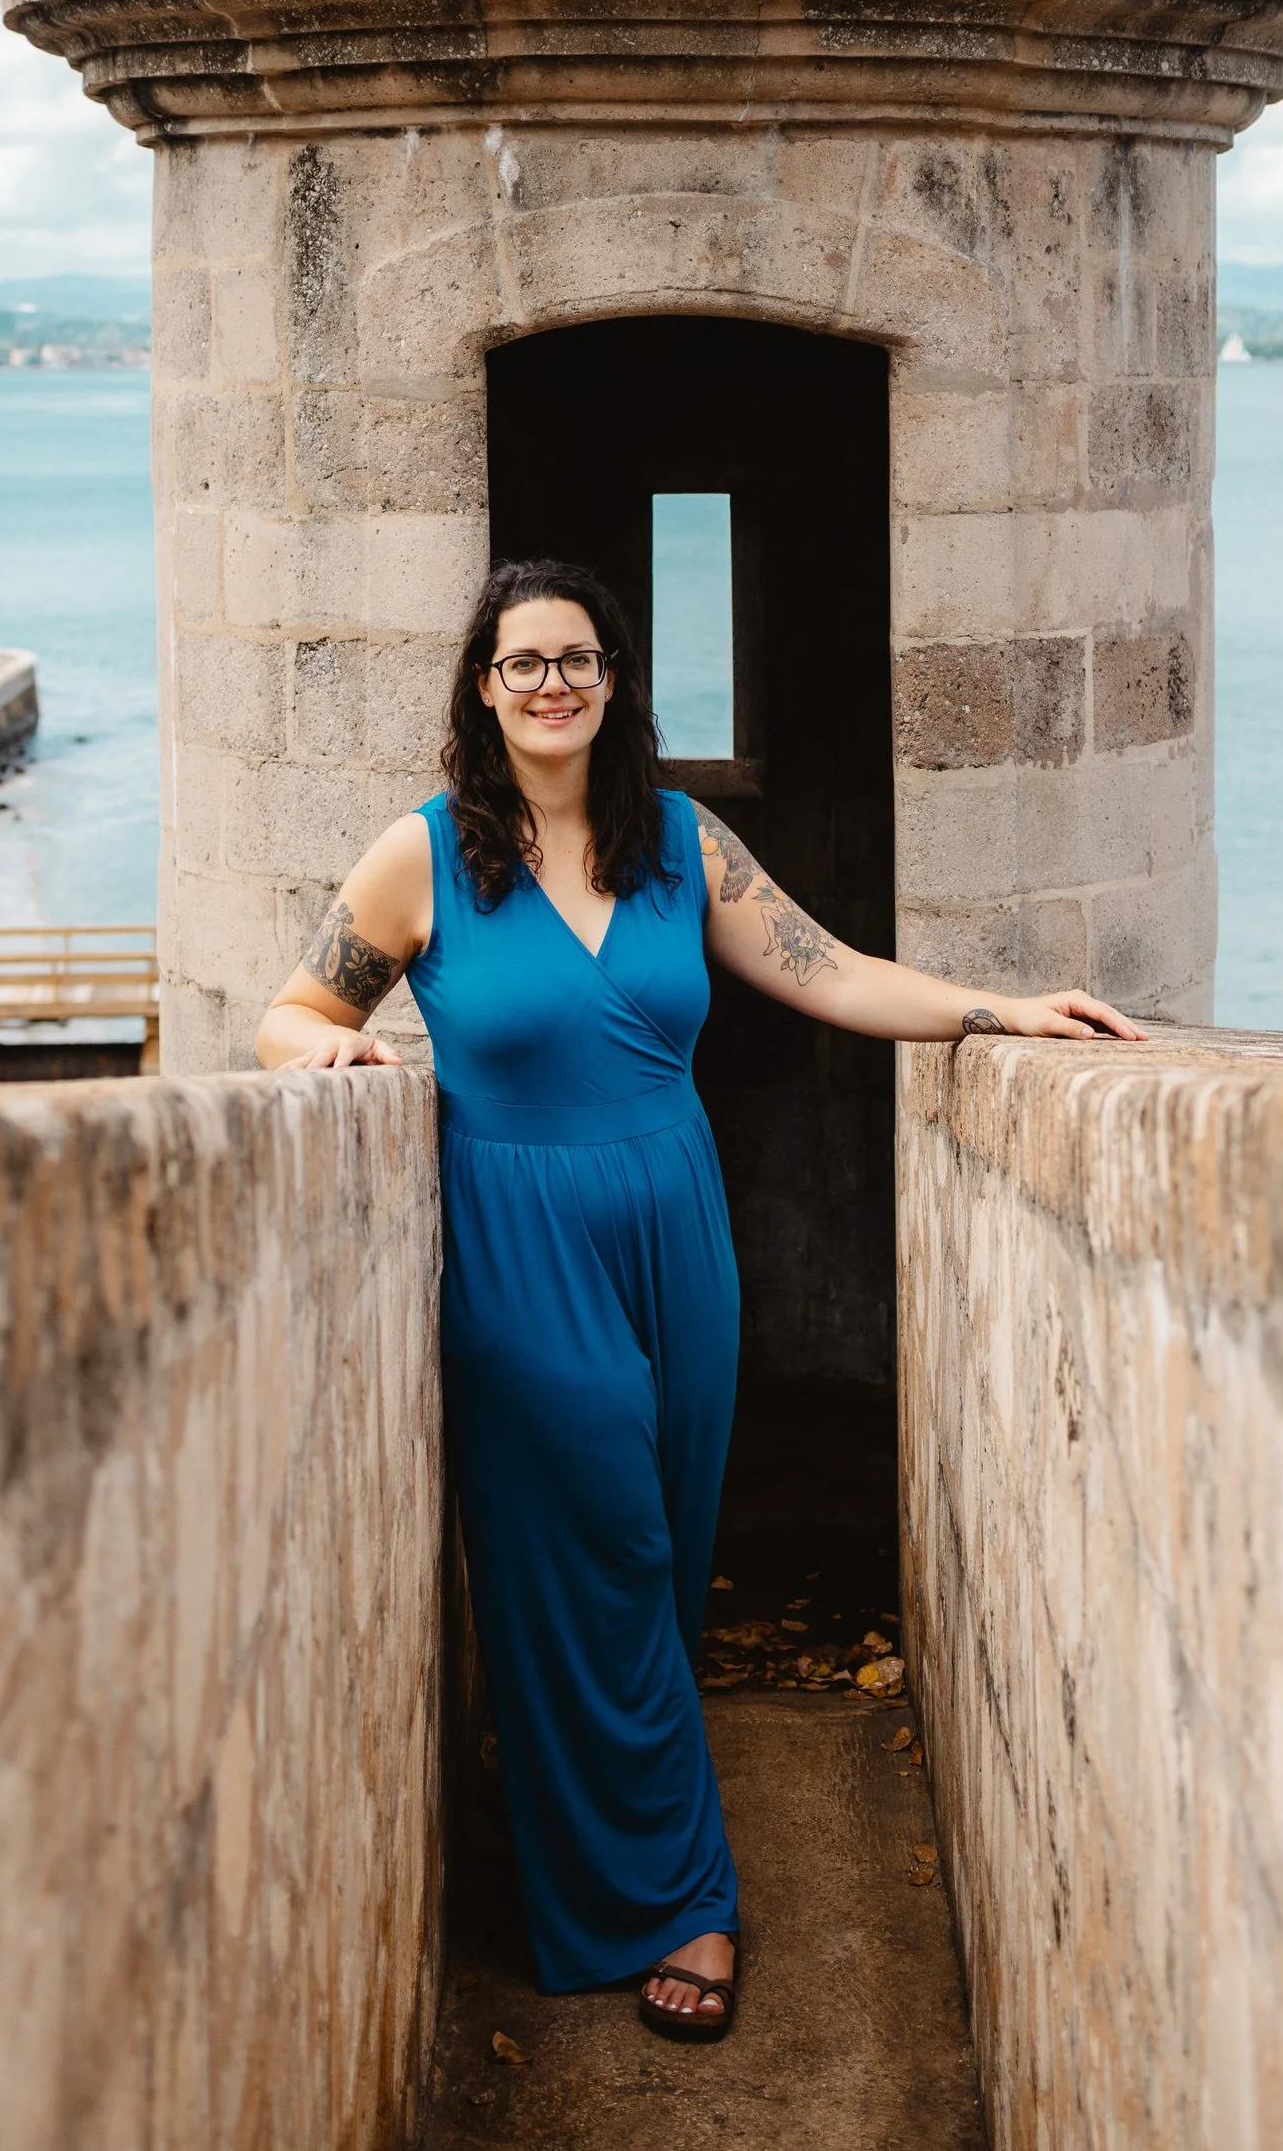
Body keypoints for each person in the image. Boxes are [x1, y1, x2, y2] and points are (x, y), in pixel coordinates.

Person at [255, 555, 1143, 2042]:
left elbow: (834, 973)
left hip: (678, 1231)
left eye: (578, 661)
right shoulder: (420, 859)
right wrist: (320, 1058)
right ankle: (681, 1898)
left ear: (613, 683)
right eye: (524, 662)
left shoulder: (682, 844)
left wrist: (996, 1008)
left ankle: (593, 1841)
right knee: (594, 1542)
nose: (553, 684)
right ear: (483, 688)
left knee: (654, 1556)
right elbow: (296, 1008)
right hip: (519, 1239)